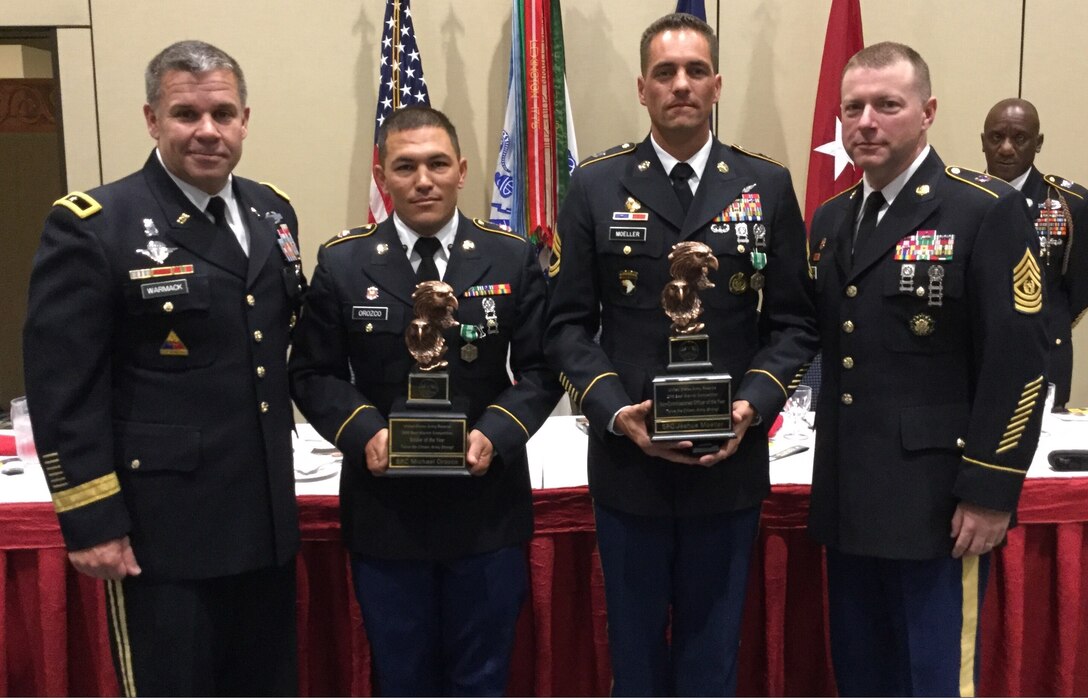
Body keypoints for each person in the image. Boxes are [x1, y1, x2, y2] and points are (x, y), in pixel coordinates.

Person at [543, 13, 818, 696]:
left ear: (717, 84)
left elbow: (793, 324)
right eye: (665, 73)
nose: (681, 85)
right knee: (632, 656)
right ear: (642, 88)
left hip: (728, 465)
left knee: (711, 654)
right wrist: (613, 411)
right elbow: (568, 326)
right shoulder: (597, 186)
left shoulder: (766, 186)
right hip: (628, 465)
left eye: (696, 70)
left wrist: (752, 405)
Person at [22, 40, 303, 695]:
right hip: (163, 531)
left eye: (223, 114)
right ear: (152, 119)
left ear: (244, 119)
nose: (207, 131)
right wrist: (91, 519)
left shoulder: (270, 212)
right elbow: (65, 387)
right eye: (186, 114)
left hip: (262, 519)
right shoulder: (97, 225)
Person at [288, 106, 560, 696]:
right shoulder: (344, 262)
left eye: (438, 164)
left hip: (485, 510)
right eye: (405, 166)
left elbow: (542, 369)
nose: (423, 179)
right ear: (382, 175)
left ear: (462, 170)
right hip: (388, 515)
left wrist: (497, 431)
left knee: (483, 679)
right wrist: (366, 434)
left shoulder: (509, 257)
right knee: (402, 679)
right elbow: (313, 373)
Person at [807, 42, 1049, 696]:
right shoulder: (831, 222)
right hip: (849, 501)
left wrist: (992, 487)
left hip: (938, 506)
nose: (866, 122)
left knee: (933, 679)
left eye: (888, 105)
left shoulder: (982, 210)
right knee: (862, 676)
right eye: (853, 108)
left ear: (927, 112)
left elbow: (1022, 361)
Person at [981, 97, 1088, 410]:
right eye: (996, 137)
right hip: (974, 352)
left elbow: (1077, 289)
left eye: (1019, 138)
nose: (1006, 148)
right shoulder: (961, 199)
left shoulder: (1071, 205)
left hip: (1043, 354)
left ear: (1038, 143)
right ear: (983, 142)